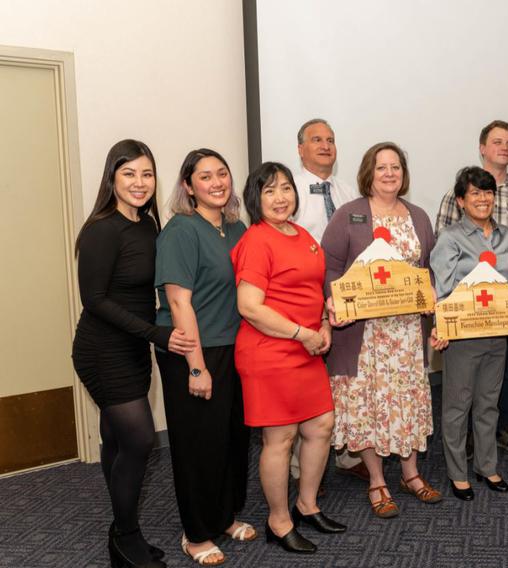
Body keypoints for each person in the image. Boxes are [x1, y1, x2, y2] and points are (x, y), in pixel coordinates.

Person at [72, 139, 195, 568]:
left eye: (146, 174)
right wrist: (158, 335)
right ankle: (125, 534)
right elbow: (96, 301)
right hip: (102, 349)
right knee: (141, 440)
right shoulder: (102, 230)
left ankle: (121, 530)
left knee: (116, 439)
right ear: (112, 178)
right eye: (129, 174)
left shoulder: (148, 225)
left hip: (133, 348)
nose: (140, 183)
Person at [232, 162, 346, 555]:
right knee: (279, 439)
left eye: (285, 189)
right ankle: (278, 521)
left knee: (321, 426)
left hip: (308, 345)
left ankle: (307, 504)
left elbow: (312, 292)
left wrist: (324, 326)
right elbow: (249, 306)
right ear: (255, 199)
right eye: (269, 191)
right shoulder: (256, 240)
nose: (280, 198)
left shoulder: (302, 236)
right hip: (270, 351)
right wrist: (304, 334)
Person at [322, 142, 440, 517]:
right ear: (368, 174)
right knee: (369, 405)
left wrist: (432, 301)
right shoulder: (349, 215)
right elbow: (330, 268)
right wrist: (334, 301)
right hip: (364, 336)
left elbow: (428, 269)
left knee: (405, 401)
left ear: (403, 173)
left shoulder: (418, 216)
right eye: (381, 167)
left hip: (406, 334)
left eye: (395, 167)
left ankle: (410, 473)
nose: (389, 173)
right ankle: (377, 480)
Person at [155, 149, 254, 566]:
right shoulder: (181, 231)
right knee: (198, 446)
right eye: (205, 176)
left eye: (222, 174)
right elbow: (179, 303)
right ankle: (196, 533)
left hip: (236, 346)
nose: (217, 182)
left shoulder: (235, 227)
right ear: (188, 186)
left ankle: (225, 516)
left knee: (233, 439)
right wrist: (196, 366)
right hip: (193, 351)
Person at [435, 120, 508, 456]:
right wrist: (444, 319)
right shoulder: (459, 200)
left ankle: (496, 438)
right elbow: (444, 257)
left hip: (503, 318)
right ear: (482, 147)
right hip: (466, 320)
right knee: (461, 393)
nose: (504, 147)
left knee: (501, 382)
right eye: (497, 141)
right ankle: (462, 447)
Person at [430, 167, 508, 501]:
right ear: (460, 200)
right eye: (474, 193)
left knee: (488, 405)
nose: (483, 199)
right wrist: (441, 327)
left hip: (499, 335)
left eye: (488, 193)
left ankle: (487, 466)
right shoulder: (451, 238)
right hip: (463, 337)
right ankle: (457, 473)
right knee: (457, 406)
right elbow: (442, 288)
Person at [290, 118, 365, 482]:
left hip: (343, 294)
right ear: (300, 148)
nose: (325, 146)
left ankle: (347, 453)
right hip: (302, 297)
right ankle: (298, 465)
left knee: (342, 377)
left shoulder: (347, 189)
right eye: (316, 140)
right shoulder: (290, 191)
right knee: (304, 380)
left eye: (331, 140)